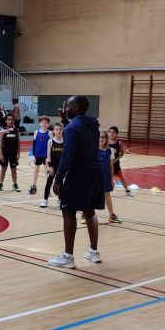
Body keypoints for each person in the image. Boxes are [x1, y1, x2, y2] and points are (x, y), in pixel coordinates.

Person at [48, 96, 104, 269]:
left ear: (77, 107)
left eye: (69, 105)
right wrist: (65, 119)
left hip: (79, 173)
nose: (66, 107)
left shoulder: (73, 128)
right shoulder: (93, 124)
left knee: (68, 212)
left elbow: (67, 155)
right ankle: (94, 252)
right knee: (89, 211)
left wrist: (58, 180)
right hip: (95, 172)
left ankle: (68, 257)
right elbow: (79, 130)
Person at [99, 131, 122, 223]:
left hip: (106, 176)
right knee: (91, 195)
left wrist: (112, 179)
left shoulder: (110, 151)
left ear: (106, 139)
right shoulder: (93, 149)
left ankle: (111, 216)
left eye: (103, 138)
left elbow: (111, 166)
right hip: (95, 176)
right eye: (100, 137)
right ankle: (85, 214)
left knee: (107, 195)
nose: (101, 139)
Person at [0, 114, 21, 193]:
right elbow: (0, 144)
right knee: (3, 169)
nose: (10, 121)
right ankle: (0, 184)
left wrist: (18, 153)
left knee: (13, 169)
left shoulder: (16, 131)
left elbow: (18, 142)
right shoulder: (3, 131)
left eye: (12, 120)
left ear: (14, 121)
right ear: (6, 121)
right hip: (5, 153)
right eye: (9, 119)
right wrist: (1, 155)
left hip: (13, 154)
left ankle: (15, 184)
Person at [41, 123, 64, 208]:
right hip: (52, 166)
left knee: (60, 184)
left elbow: (64, 156)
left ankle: (60, 200)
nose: (58, 131)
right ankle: (45, 200)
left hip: (61, 167)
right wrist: (50, 166)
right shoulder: (50, 141)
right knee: (49, 183)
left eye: (60, 129)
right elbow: (48, 155)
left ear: (63, 131)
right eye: (57, 129)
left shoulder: (64, 142)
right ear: (53, 131)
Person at [107, 126, 133, 197]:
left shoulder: (119, 143)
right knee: (106, 177)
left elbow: (122, 153)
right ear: (108, 133)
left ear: (117, 134)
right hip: (107, 164)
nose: (112, 134)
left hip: (115, 164)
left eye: (113, 132)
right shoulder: (105, 142)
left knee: (120, 177)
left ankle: (127, 191)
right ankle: (105, 190)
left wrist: (116, 159)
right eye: (110, 132)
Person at [29, 116, 51, 195]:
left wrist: (49, 156)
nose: (44, 124)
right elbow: (34, 144)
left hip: (46, 156)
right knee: (36, 171)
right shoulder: (36, 132)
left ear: (48, 124)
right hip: (38, 155)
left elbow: (51, 145)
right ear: (40, 123)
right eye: (42, 122)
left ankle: (47, 189)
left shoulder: (49, 133)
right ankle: (33, 186)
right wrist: (33, 155)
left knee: (46, 172)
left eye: (45, 123)